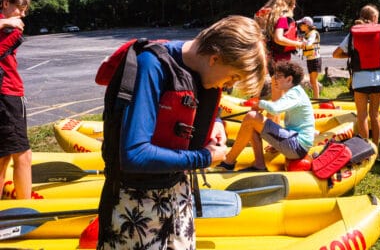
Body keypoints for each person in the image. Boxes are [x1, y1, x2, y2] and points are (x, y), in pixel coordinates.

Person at [97, 15, 267, 249]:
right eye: (232, 77)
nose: (228, 86)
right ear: (215, 58)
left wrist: (215, 121)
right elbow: (134, 154)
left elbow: (196, 102)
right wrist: (204, 157)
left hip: (178, 195)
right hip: (135, 204)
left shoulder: (199, 68)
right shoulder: (152, 65)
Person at [217, 61, 315, 171]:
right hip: (297, 144)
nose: (274, 79)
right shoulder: (295, 92)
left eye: (278, 76)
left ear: (289, 79)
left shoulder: (295, 93)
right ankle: (259, 165)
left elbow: (275, 109)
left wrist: (259, 103)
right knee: (252, 122)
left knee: (252, 116)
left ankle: (228, 162)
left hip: (297, 145)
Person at [332, 4, 380, 146]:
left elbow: (336, 54)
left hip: (360, 80)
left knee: (362, 116)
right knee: (375, 115)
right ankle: (376, 148)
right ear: (374, 18)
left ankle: (365, 149)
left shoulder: (353, 34)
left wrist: (351, 54)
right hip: (378, 79)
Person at [0, 0, 32, 199]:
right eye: (19, 8)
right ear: (5, 3)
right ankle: (26, 209)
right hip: (7, 94)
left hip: (5, 94)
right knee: (23, 155)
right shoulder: (11, 29)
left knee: (2, 156)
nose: (22, 15)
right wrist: (7, 24)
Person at [298, 16, 322, 99]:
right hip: (310, 59)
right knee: (312, 81)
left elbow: (308, 44)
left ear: (306, 25)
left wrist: (302, 41)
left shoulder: (313, 33)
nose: (300, 26)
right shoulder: (307, 34)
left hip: (315, 59)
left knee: (314, 80)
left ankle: (316, 98)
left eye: (301, 24)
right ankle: (316, 97)